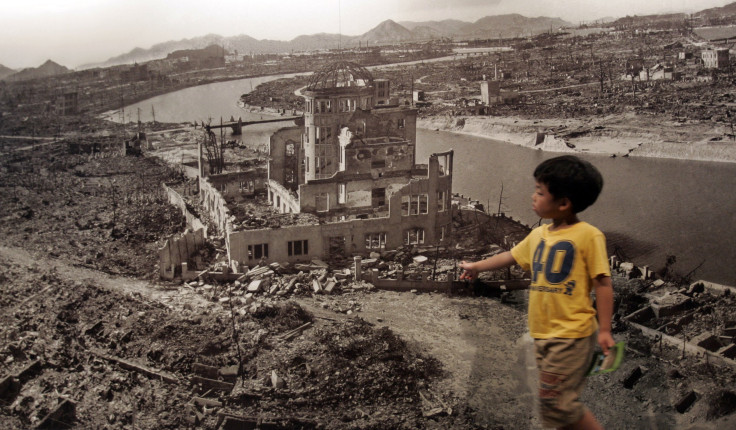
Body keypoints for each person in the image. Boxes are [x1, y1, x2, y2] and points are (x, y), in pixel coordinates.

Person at [459, 155, 614, 430]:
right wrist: (477, 267)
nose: (533, 197)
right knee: (557, 404)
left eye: (540, 192)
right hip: (544, 333)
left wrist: (604, 330)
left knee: (557, 405)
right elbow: (510, 256)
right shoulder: (539, 235)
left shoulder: (589, 236)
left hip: (571, 334)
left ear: (564, 203)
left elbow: (602, 284)